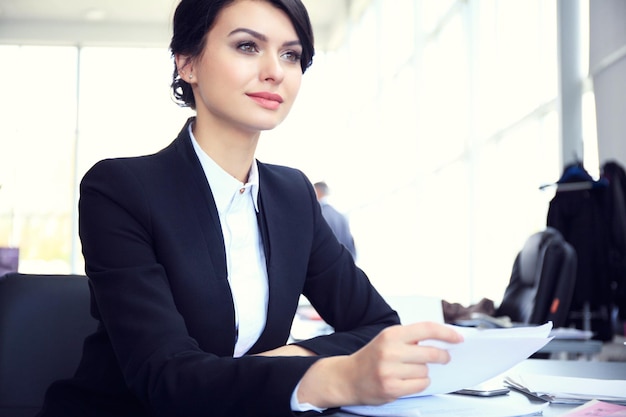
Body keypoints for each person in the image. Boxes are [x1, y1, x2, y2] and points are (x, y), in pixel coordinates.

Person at [36, 1, 463, 416]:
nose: (275, 71)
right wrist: (328, 376)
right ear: (187, 63)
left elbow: (378, 326)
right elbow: (165, 377)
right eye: (247, 46)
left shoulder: (292, 194)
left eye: (291, 55)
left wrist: (288, 355)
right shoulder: (120, 189)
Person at [314, 181, 357, 259]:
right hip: (341, 264)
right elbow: (350, 245)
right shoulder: (340, 215)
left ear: (317, 192)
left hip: (325, 263)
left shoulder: (319, 215)